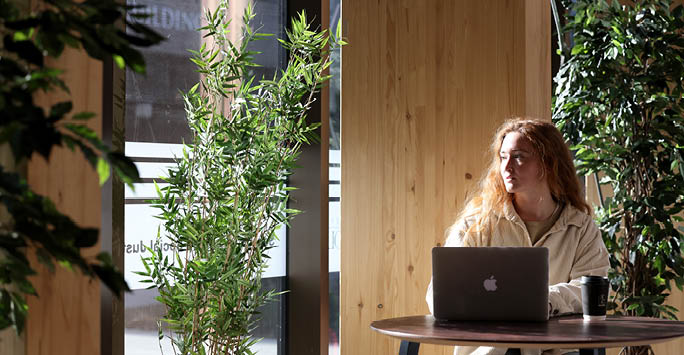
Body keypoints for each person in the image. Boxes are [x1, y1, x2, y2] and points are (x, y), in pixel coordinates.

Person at [425, 118, 610, 355]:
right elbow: (438, 295)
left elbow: (592, 289)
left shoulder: (580, 227)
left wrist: (545, 299)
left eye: (519, 157)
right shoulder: (477, 224)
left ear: (548, 162)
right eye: (503, 157)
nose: (507, 167)